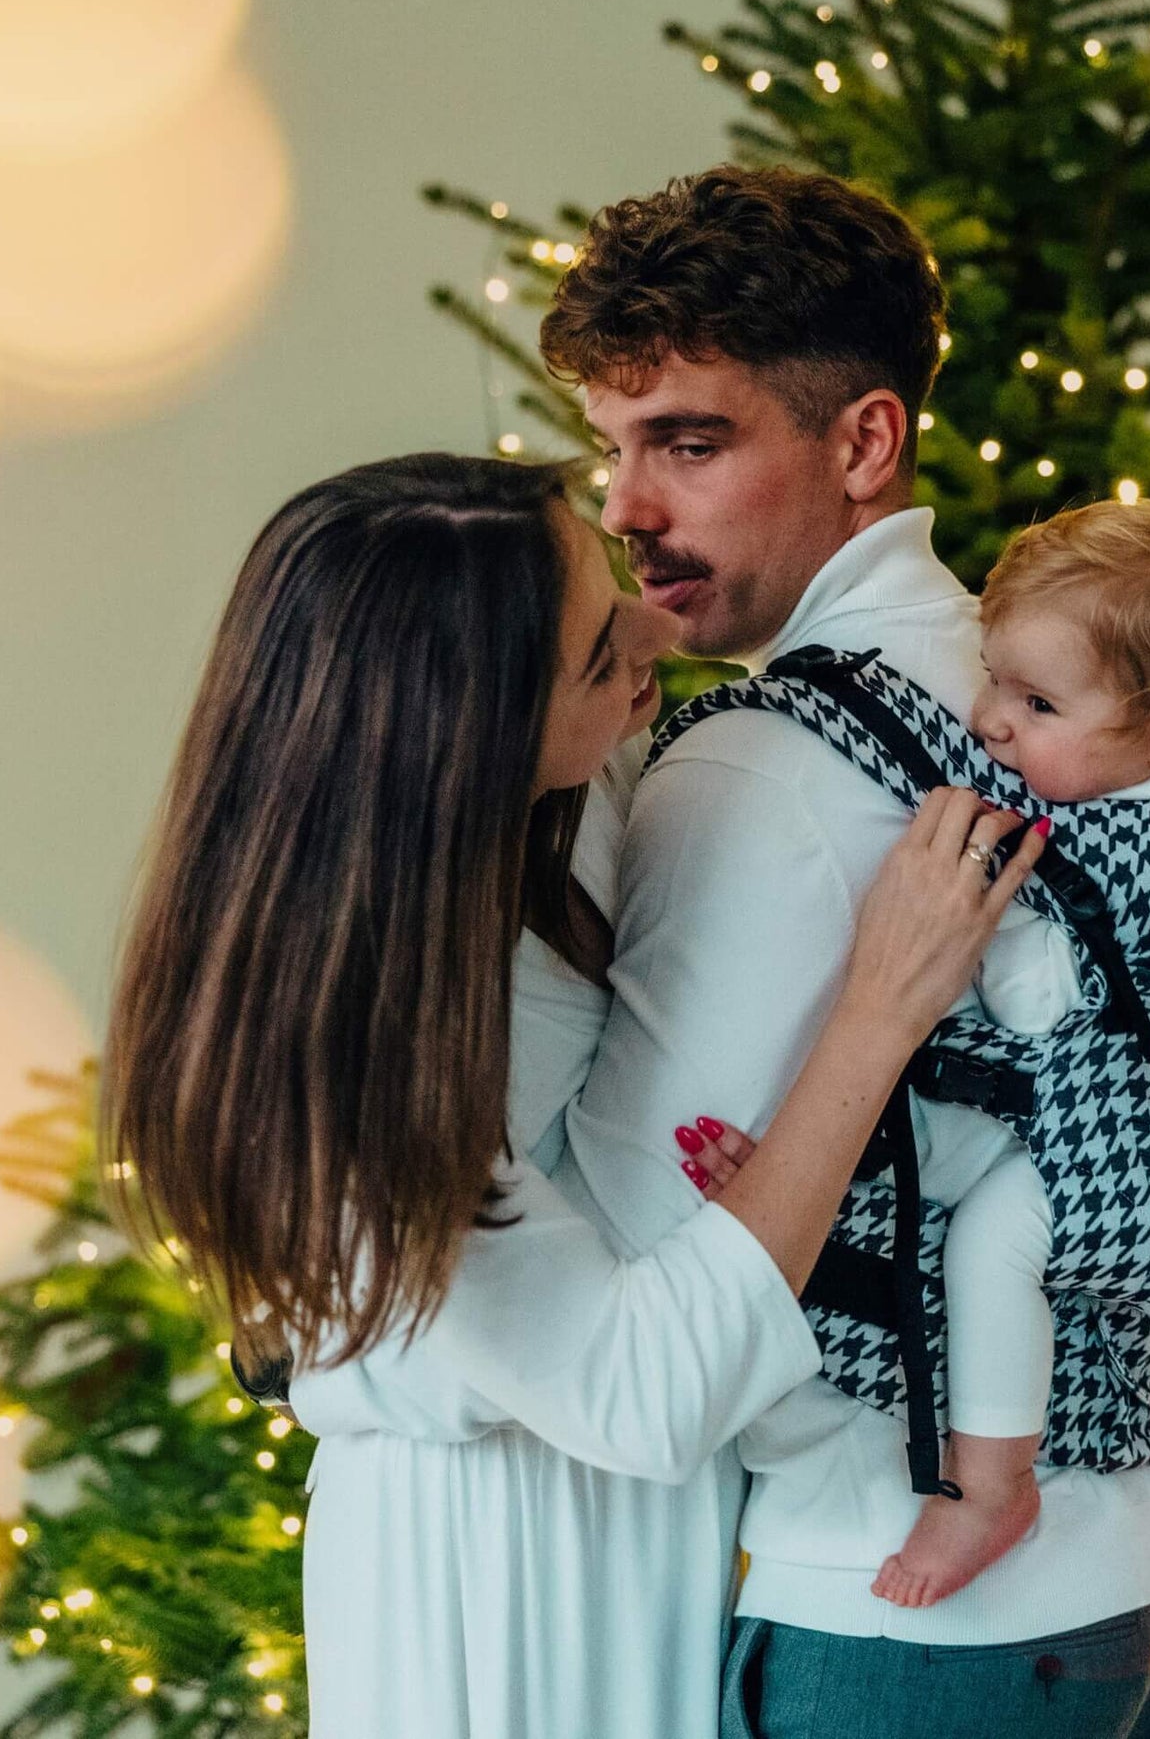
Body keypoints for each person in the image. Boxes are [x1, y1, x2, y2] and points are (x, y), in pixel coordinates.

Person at [98, 451, 1043, 1739]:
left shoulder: (563, 799)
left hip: (644, 1523)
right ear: (470, 741)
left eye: (611, 583)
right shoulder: (349, 1038)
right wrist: (881, 1010)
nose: (659, 628)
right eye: (603, 651)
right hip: (502, 1582)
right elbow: (642, 1389)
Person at [542, 165, 1150, 1736]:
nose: (628, 507)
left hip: (906, 1613)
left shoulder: (750, 769)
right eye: (613, 447)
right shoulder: (1068, 694)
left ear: (865, 441)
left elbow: (646, 1279)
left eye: (690, 442)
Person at [829, 498, 1150, 1607]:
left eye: (1036, 703)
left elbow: (1034, 1005)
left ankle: (991, 1486)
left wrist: (972, 924)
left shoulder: (1139, 852)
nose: (990, 720)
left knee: (995, 1235)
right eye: (993, 679)